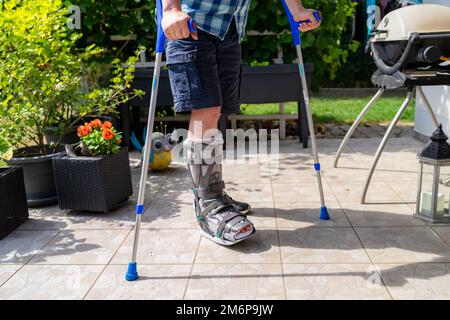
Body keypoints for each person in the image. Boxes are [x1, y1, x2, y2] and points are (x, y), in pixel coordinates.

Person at [162, 0, 321, 245]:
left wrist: (297, 11)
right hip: (190, 22)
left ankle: (215, 194)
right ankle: (208, 204)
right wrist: (170, 9)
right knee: (206, 110)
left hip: (230, 27)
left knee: (216, 111)